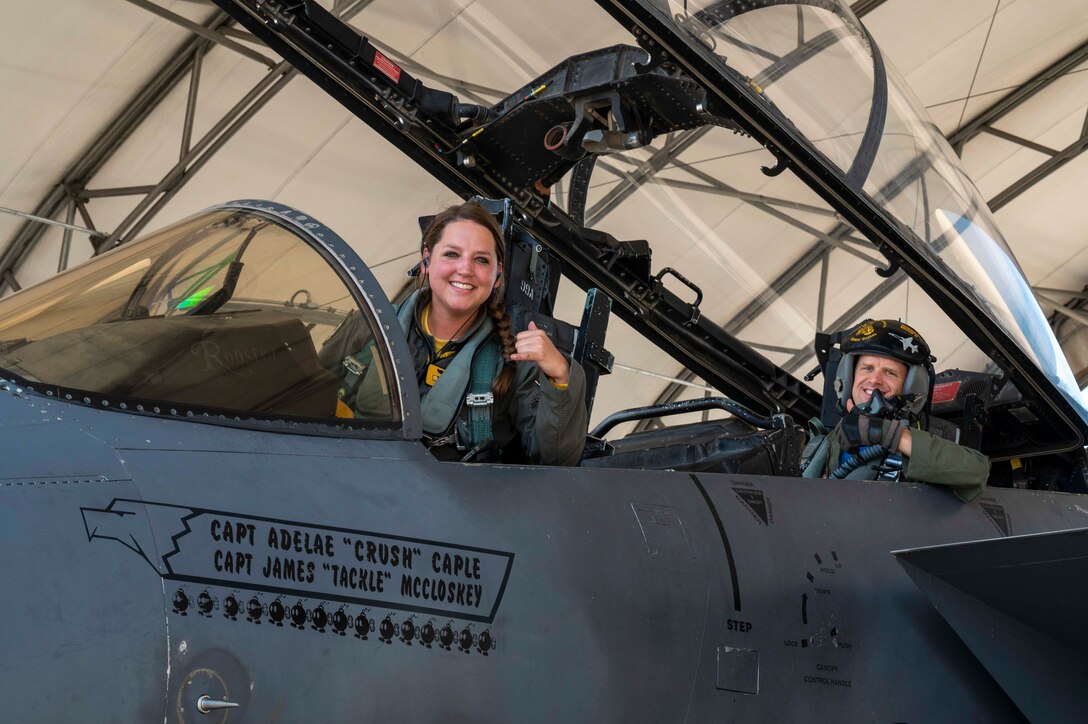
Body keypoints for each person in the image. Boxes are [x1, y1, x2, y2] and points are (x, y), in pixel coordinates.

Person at [355, 201, 587, 465]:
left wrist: (560, 377)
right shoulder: (371, 326)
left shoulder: (514, 359)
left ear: (497, 276)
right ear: (426, 261)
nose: (465, 269)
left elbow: (557, 462)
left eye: (481, 259)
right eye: (452, 254)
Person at [800, 319, 988, 502]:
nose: (874, 380)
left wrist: (891, 435)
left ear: (910, 387)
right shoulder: (824, 442)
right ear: (848, 377)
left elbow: (976, 473)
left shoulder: (918, 444)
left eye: (890, 372)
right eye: (867, 368)